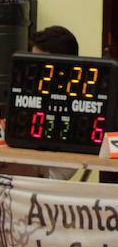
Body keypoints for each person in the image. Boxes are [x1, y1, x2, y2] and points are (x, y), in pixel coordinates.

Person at [29, 25, 85, 181]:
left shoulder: (79, 103)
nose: (36, 68)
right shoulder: (29, 91)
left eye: (42, 63)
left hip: (47, 178)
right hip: (20, 167)